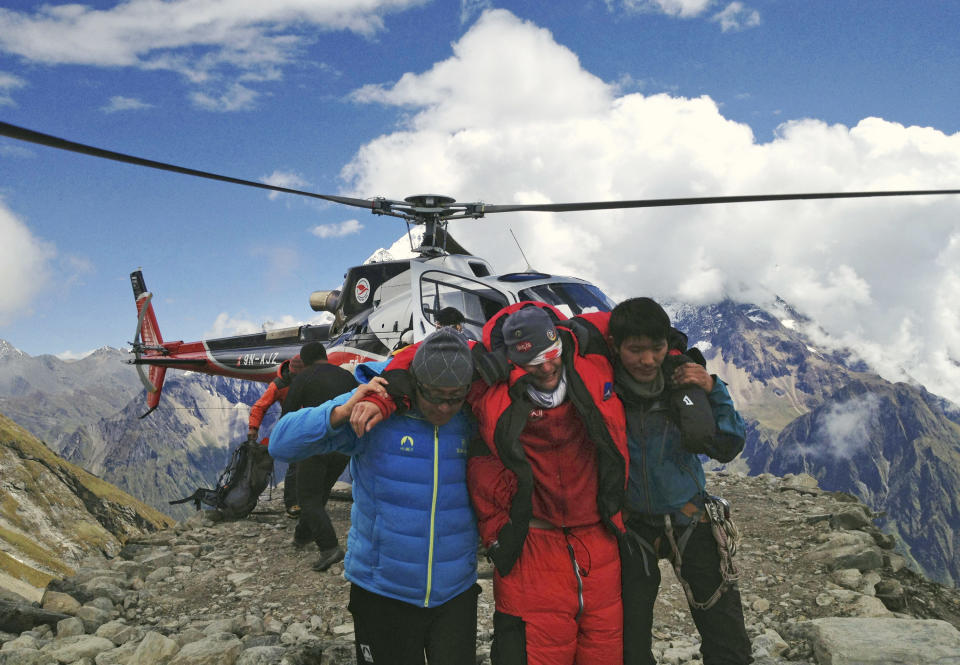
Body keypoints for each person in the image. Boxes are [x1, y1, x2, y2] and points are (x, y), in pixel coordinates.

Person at [269, 328, 481, 665]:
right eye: (435, 396)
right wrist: (340, 410)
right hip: (382, 592)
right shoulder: (374, 411)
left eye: (455, 397)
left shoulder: (473, 415)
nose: (444, 408)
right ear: (414, 385)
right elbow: (281, 443)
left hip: (455, 593)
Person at [467, 303, 629, 665]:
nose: (546, 367)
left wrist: (681, 352)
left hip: (597, 540)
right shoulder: (492, 391)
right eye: (532, 362)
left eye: (551, 354)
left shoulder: (592, 368)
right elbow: (426, 357)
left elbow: (635, 324)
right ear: (513, 362)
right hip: (531, 547)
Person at [603, 297, 752, 665]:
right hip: (632, 522)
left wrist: (713, 387)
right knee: (629, 636)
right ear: (615, 347)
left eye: (656, 349)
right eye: (635, 350)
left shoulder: (685, 385)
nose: (648, 360)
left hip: (689, 512)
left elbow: (728, 445)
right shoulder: (602, 390)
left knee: (723, 625)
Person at [281, 341, 358, 571]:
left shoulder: (303, 378)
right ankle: (302, 535)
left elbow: (288, 415)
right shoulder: (346, 377)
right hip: (344, 446)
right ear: (325, 356)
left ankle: (329, 548)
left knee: (307, 498)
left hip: (316, 444)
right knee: (319, 492)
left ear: (304, 362)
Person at [248, 352, 305, 517]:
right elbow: (260, 406)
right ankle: (292, 503)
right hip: (292, 425)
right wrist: (253, 427)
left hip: (311, 421)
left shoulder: (311, 377)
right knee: (296, 462)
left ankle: (308, 499)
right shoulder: (279, 384)